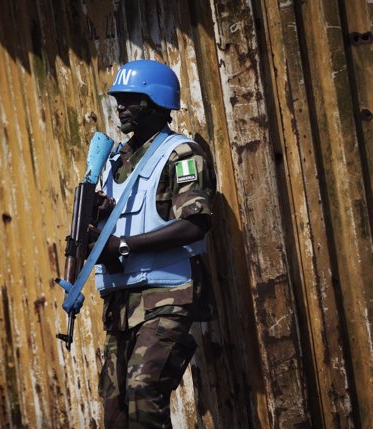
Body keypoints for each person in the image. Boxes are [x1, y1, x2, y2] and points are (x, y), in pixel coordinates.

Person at [91, 59, 216, 428]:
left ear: (155, 102)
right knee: (115, 410)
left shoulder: (181, 153)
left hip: (167, 296)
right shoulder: (113, 159)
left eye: (131, 99)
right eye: (118, 99)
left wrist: (125, 246)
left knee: (144, 395)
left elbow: (195, 224)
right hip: (121, 301)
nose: (121, 107)